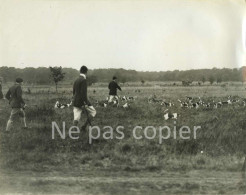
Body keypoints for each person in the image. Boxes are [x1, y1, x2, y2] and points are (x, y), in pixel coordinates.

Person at [73, 66, 96, 130]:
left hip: (75, 101)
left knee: (76, 117)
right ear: (86, 72)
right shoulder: (83, 80)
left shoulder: (76, 80)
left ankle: (73, 131)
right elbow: (83, 93)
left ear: (80, 71)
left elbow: (74, 92)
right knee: (93, 112)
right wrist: (85, 103)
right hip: (82, 102)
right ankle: (84, 126)